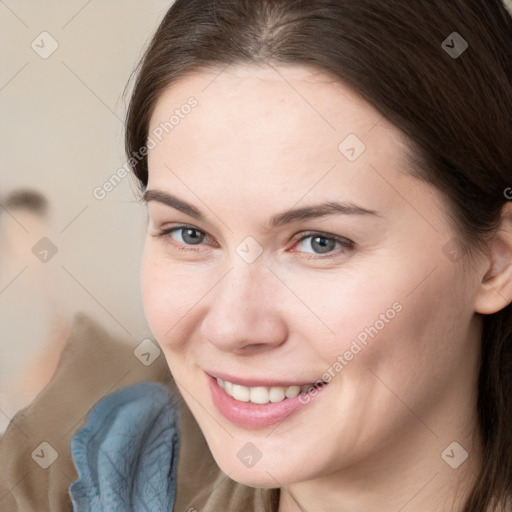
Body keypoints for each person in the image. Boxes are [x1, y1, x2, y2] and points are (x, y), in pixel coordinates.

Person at [1, 0, 511, 511]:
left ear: (496, 261)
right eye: (190, 234)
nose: (231, 327)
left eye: (320, 242)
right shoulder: (56, 476)